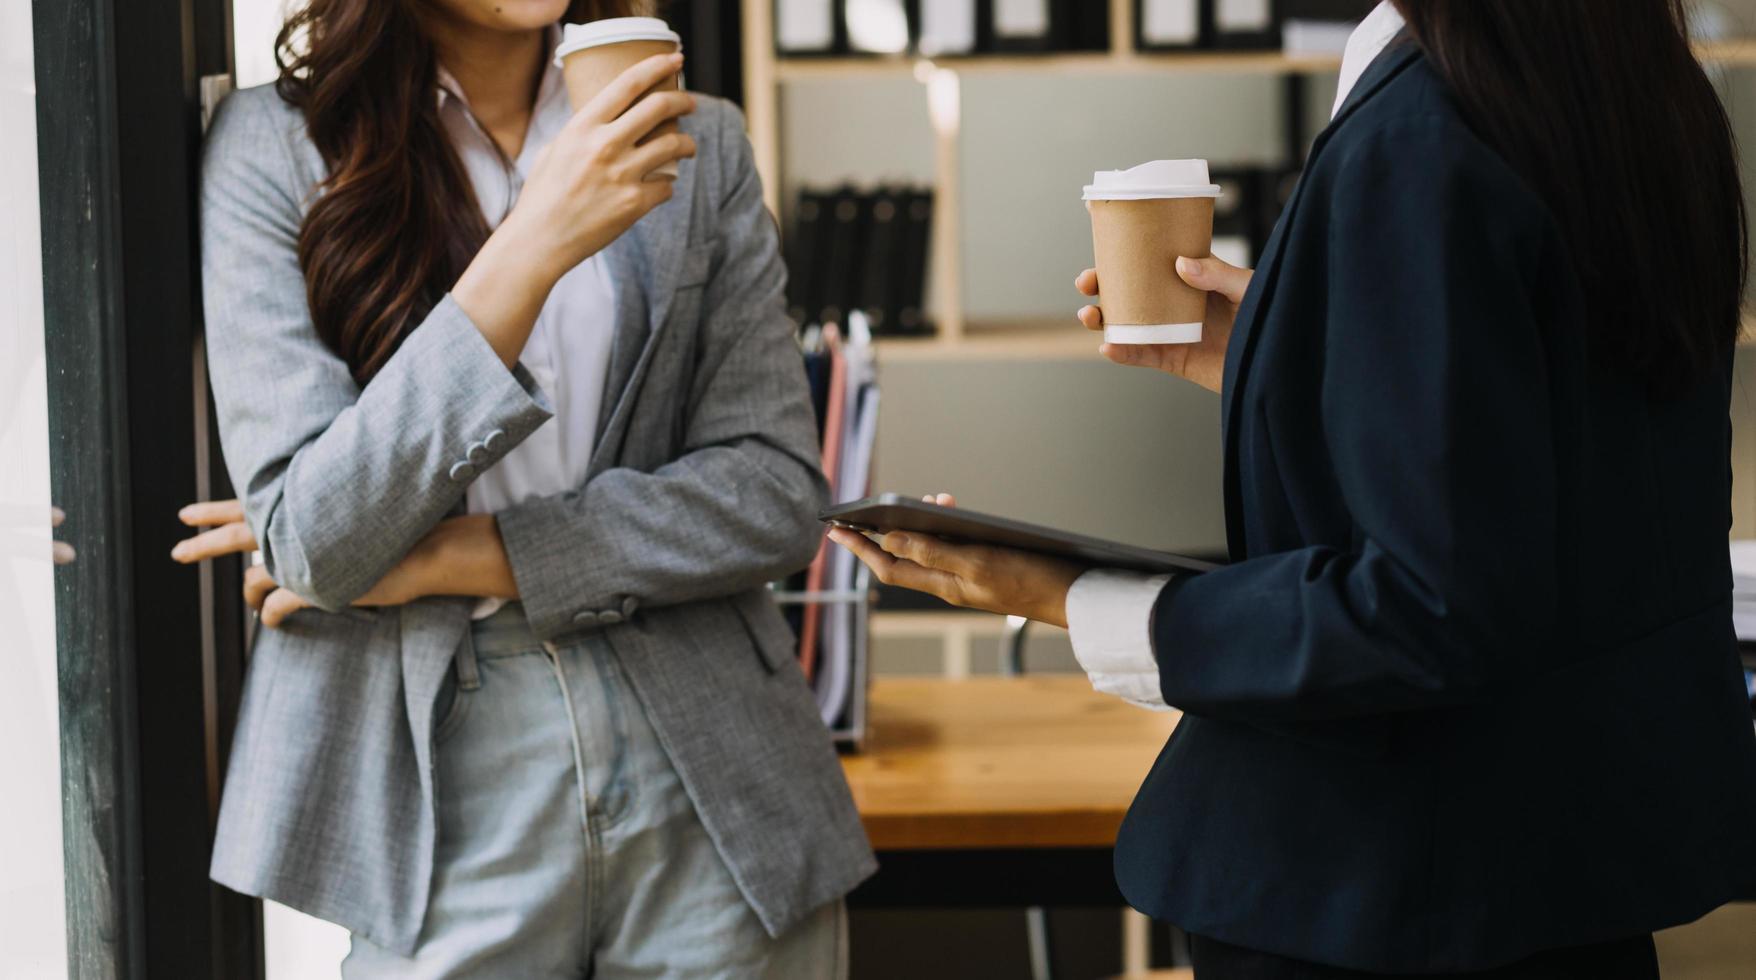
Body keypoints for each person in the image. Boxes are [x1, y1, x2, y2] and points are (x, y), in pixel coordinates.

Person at [831, 1, 1756, 976]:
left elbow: (1430, 606)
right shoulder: (1635, 92)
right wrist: (1290, 366)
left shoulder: (1420, 135)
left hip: (1384, 897)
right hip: (1561, 873)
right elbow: (1559, 452)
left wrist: (1068, 596)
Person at [172, 0, 872, 975]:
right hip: (433, 762)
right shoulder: (273, 145)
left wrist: (442, 556)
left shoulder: (695, 137)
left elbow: (774, 492)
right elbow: (317, 541)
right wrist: (533, 243)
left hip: (709, 756)